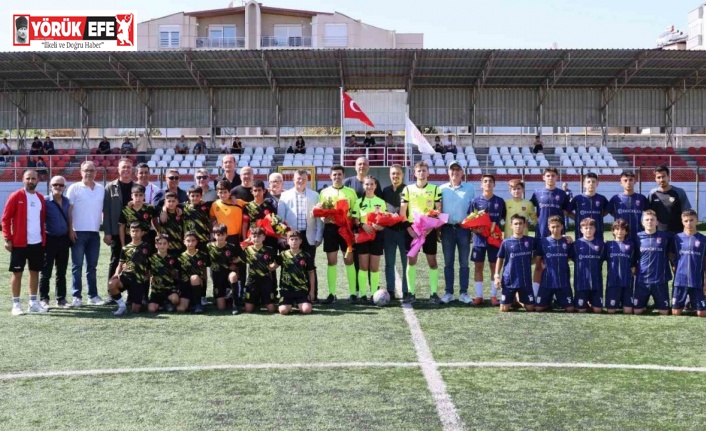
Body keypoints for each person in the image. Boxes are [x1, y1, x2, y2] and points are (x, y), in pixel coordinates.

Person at [2, 169, 47, 315]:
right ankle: (16, 304)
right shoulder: (16, 196)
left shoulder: (40, 198)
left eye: (33, 179)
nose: (30, 181)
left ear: (37, 180)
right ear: (23, 179)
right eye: (28, 178)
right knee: (17, 272)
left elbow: (41, 220)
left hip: (37, 242)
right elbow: (5, 219)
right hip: (19, 243)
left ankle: (33, 302)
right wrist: (8, 239)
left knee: (35, 272)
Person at [400, 161, 442, 304]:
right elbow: (402, 212)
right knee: (411, 261)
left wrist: (430, 228)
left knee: (432, 261)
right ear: (415, 173)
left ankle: (434, 293)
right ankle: (411, 293)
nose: (422, 173)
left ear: (428, 172)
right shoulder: (407, 189)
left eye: (424, 170)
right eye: (419, 171)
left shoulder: (435, 189)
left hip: (429, 230)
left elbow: (438, 211)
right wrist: (409, 229)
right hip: (413, 230)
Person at [278, 169, 323, 302]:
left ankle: (312, 296)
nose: (300, 181)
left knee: (310, 266)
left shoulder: (315, 195)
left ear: (307, 180)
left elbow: (319, 218)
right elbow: (280, 219)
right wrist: (282, 237)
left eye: (303, 179)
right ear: (293, 179)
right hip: (291, 237)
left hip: (309, 236)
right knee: (289, 265)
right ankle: (287, 295)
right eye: (298, 178)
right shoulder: (285, 196)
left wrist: (318, 236)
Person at [318, 165, 360, 304]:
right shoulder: (324, 192)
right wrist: (324, 218)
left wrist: (354, 226)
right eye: (334, 174)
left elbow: (355, 210)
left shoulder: (350, 192)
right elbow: (321, 210)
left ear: (343, 175)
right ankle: (332, 294)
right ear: (330, 176)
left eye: (339, 174)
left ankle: (353, 293)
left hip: (346, 229)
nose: (337, 177)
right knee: (332, 261)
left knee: (349, 260)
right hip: (330, 230)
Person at [67, 161, 105, 307]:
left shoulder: (101, 188)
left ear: (96, 172)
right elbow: (69, 210)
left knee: (92, 266)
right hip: (78, 232)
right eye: (86, 170)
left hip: (94, 233)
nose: (89, 173)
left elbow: (104, 210)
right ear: (81, 172)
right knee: (77, 266)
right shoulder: (74, 188)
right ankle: (76, 296)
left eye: (91, 170)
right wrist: (70, 229)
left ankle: (93, 295)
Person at [439, 161, 475, 305]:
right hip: (447, 229)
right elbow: (439, 210)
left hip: (464, 229)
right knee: (448, 263)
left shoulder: (470, 188)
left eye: (457, 170)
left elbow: (473, 210)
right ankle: (448, 292)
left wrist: (472, 228)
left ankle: (463, 292)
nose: (455, 172)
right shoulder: (441, 189)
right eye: (452, 170)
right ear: (448, 172)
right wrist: (438, 229)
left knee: (464, 263)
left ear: (462, 172)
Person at [530, 167, 569, 298]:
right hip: (541, 234)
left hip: (557, 235)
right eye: (548, 175)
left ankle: (554, 295)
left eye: (553, 175)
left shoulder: (562, 194)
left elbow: (566, 212)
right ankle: (536, 294)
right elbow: (530, 209)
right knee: (539, 265)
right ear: (543, 177)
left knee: (555, 265)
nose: (550, 178)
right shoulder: (537, 193)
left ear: (557, 177)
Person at [470, 174, 506, 306]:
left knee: (494, 267)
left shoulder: (500, 201)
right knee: (478, 267)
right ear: (481, 185)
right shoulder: (475, 201)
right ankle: (479, 296)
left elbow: (503, 219)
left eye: (490, 181)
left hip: (494, 240)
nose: (488, 183)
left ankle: (493, 296)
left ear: (494, 184)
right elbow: (469, 221)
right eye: (485, 181)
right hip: (479, 240)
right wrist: (475, 230)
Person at [103, 158, 134, 301]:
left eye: (128, 167)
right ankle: (111, 292)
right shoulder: (110, 187)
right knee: (115, 260)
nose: (126, 170)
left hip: (134, 232)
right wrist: (107, 232)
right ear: (118, 169)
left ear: (132, 169)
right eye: (123, 167)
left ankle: (129, 290)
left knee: (134, 261)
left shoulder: (137, 187)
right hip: (116, 232)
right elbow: (107, 211)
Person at [39, 176, 71, 309]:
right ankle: (44, 298)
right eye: (55, 185)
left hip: (63, 239)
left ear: (64, 187)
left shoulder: (67, 201)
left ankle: (61, 299)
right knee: (46, 271)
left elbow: (69, 218)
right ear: (50, 186)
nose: (58, 187)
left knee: (61, 271)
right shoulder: (44, 201)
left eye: (60, 185)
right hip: (49, 239)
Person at [634, 210, 673, 316]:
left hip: (660, 280)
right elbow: (633, 255)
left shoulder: (666, 237)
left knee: (664, 312)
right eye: (647, 220)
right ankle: (644, 303)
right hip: (642, 280)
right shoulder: (637, 237)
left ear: (657, 222)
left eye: (652, 220)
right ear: (642, 222)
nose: (649, 222)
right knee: (637, 311)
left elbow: (672, 253)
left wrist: (673, 265)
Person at [107, 222, 151, 316]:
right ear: (129, 232)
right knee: (111, 284)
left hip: (139, 279)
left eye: (137, 231)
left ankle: (141, 301)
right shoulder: (125, 248)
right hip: (127, 276)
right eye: (133, 231)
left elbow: (150, 264)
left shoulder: (147, 247)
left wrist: (149, 275)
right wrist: (116, 274)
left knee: (136, 310)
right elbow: (120, 264)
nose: (135, 233)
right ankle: (122, 307)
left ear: (142, 233)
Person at [494, 214, 535, 313]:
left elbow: (546, 243)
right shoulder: (506, 242)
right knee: (504, 309)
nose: (518, 226)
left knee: (530, 309)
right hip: (509, 280)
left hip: (525, 280)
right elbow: (500, 258)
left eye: (520, 223)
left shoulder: (530, 241)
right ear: (511, 226)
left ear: (524, 225)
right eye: (515, 224)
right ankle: (513, 298)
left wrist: (564, 237)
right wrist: (496, 276)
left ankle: (518, 300)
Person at [533, 216, 574, 313]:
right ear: (548, 227)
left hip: (563, 282)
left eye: (557, 226)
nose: (555, 229)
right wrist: (540, 267)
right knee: (538, 309)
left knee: (570, 309)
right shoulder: (543, 242)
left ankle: (557, 300)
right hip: (546, 281)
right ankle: (548, 301)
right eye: (553, 227)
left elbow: (570, 257)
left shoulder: (567, 242)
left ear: (562, 227)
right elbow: (538, 261)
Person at [355, 176, 387, 302]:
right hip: (363, 236)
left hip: (377, 237)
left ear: (375, 186)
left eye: (371, 184)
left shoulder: (381, 202)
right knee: (363, 266)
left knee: (374, 267)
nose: (369, 187)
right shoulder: (358, 202)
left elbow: (385, 220)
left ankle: (374, 294)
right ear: (363, 186)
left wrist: (380, 226)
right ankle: (362, 294)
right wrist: (363, 225)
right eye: (367, 184)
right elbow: (355, 219)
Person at [670, 209, 706, 317]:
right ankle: (687, 303)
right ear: (682, 221)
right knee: (675, 313)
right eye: (686, 221)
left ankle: (691, 303)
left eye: (691, 220)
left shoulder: (703, 239)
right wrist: (673, 264)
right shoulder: (676, 238)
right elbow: (671, 254)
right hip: (680, 280)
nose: (689, 223)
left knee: (702, 314)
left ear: (696, 220)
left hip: (697, 281)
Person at [382, 165, 408, 300]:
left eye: (398, 173)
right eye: (393, 174)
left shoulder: (408, 190)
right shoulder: (385, 190)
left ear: (402, 175)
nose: (395, 176)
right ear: (389, 175)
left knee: (406, 263)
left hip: (405, 232)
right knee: (389, 263)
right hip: (389, 232)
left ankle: (406, 291)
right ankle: (391, 290)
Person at [237, 227, 278, 313]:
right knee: (248, 310)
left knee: (271, 309)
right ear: (251, 237)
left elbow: (278, 261)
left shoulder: (269, 250)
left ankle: (264, 300)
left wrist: (271, 267)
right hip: (252, 281)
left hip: (266, 280)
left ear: (264, 237)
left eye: (259, 236)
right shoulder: (247, 250)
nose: (256, 239)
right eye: (254, 236)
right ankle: (255, 301)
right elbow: (238, 260)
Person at [569, 218, 605, 314]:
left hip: (596, 282)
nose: (588, 230)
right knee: (581, 310)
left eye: (591, 228)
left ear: (595, 229)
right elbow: (572, 258)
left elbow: (603, 258)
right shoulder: (576, 244)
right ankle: (585, 303)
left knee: (598, 310)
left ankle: (592, 303)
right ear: (581, 230)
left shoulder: (601, 244)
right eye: (586, 228)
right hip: (581, 282)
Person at [278, 230, 315, 315]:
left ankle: (299, 304)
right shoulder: (282, 255)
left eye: (296, 239)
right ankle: (290, 305)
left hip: (301, 290)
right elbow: (272, 267)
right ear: (287, 241)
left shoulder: (306, 255)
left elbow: (311, 273)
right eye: (292, 239)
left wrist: (312, 291)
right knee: (283, 311)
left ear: (300, 241)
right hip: (286, 290)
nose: (294, 241)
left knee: (306, 310)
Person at [648, 165, 692, 235]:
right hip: (658, 234)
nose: (661, 179)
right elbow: (648, 214)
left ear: (668, 177)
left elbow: (686, 213)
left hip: (678, 233)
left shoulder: (679, 192)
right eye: (658, 177)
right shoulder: (652, 194)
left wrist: (687, 230)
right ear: (655, 179)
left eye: (663, 176)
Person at [604, 219, 636, 315]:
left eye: (622, 229)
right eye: (617, 229)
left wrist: (634, 267)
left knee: (628, 311)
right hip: (613, 282)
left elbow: (635, 260)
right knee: (610, 311)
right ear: (613, 231)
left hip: (627, 281)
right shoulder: (608, 245)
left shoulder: (631, 245)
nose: (620, 232)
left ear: (626, 231)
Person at [608, 171, 647, 245]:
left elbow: (648, 213)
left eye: (631, 180)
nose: (628, 182)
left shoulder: (642, 198)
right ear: (621, 182)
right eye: (625, 180)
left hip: (639, 235)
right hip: (621, 235)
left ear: (635, 181)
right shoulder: (615, 198)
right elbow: (609, 211)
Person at [207, 224, 240, 312]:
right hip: (217, 276)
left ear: (226, 235)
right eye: (218, 235)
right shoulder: (209, 247)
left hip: (228, 274)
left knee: (233, 276)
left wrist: (234, 264)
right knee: (221, 308)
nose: (220, 237)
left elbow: (239, 259)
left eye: (222, 235)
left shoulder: (232, 247)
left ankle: (235, 304)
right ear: (214, 235)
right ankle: (226, 298)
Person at [567, 173, 608, 241]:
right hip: (581, 234)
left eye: (593, 181)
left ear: (597, 183)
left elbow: (608, 210)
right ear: (584, 184)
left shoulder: (602, 198)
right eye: (588, 182)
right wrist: (577, 218)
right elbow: (567, 212)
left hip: (598, 233)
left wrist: (599, 216)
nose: (591, 183)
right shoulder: (577, 198)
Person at [176, 231, 210, 313]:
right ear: (184, 242)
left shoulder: (202, 255)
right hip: (185, 287)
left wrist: (203, 290)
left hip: (197, 284)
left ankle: (198, 304)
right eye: (188, 240)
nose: (190, 243)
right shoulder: (180, 257)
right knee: (180, 309)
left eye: (193, 240)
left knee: (194, 277)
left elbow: (204, 273)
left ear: (197, 242)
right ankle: (190, 304)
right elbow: (177, 275)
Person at [147, 234, 181, 314]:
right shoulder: (151, 258)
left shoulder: (173, 258)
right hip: (156, 290)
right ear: (156, 245)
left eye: (165, 243)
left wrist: (177, 288)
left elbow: (177, 274)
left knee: (176, 299)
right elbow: (148, 273)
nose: (162, 246)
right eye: (160, 243)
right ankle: (162, 304)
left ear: (168, 245)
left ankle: (167, 302)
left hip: (169, 289)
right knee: (151, 309)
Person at [210, 180, 247, 244]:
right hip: (220, 236)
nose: (223, 195)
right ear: (217, 192)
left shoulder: (238, 202)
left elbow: (253, 206)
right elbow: (212, 218)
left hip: (235, 236)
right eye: (220, 192)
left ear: (229, 192)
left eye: (225, 192)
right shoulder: (215, 204)